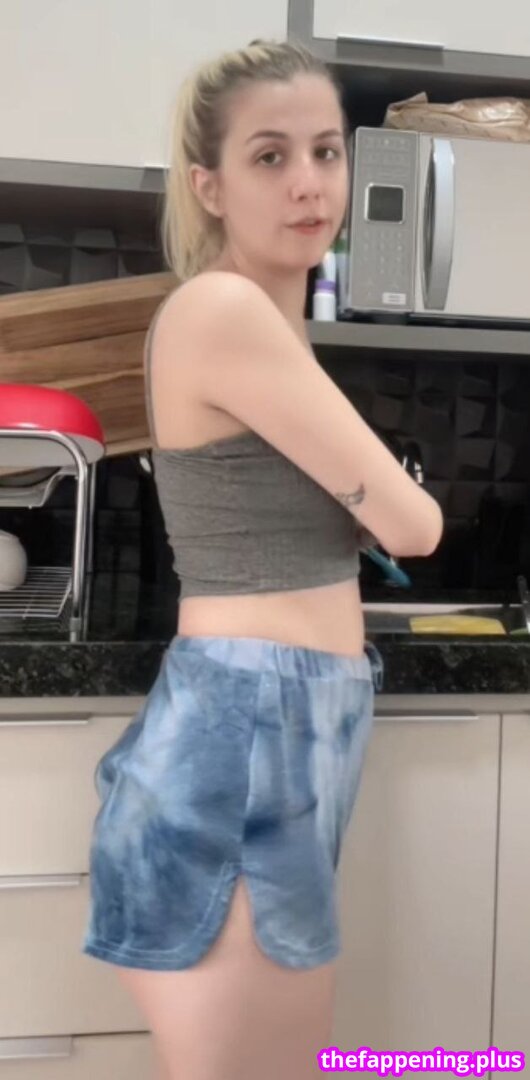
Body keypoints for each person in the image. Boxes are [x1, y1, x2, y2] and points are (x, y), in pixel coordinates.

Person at [82, 39, 443, 1080]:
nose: (308, 183)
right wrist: (383, 499)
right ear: (210, 186)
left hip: (275, 729)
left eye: (326, 151)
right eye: (270, 156)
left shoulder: (262, 323)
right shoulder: (225, 309)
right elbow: (414, 526)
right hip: (248, 732)